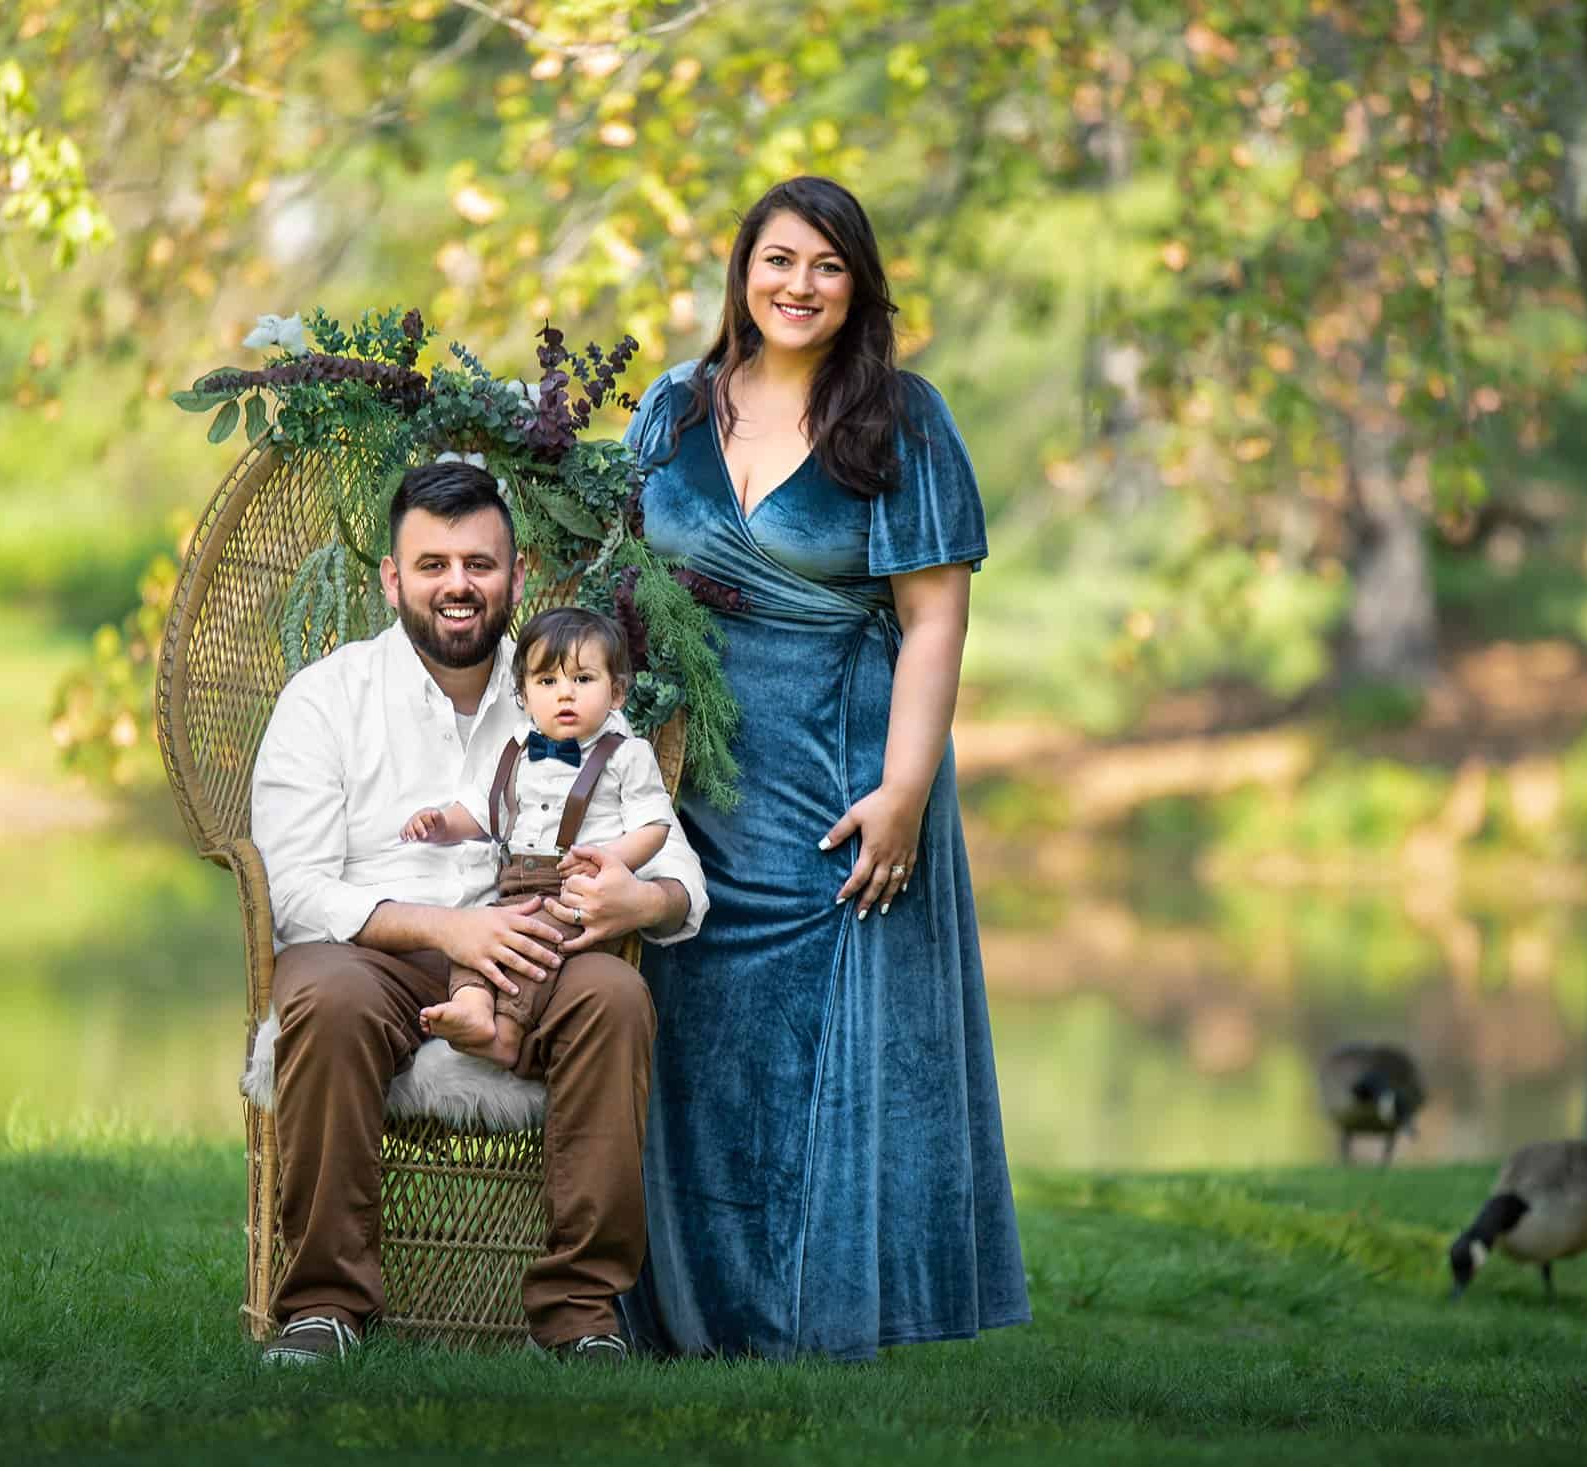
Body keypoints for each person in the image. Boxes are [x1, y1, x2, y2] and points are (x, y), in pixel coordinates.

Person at [608, 175, 1032, 1360]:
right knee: (692, 1034)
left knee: (828, 1047)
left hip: (837, 774)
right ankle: (679, 1320)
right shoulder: (674, 409)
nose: (798, 285)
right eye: (777, 260)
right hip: (689, 778)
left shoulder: (899, 418)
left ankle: (821, 1319)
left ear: (859, 286)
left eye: (826, 266)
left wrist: (900, 793)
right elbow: (613, 577)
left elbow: (934, 622)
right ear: (742, 270)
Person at [247, 460, 708, 1366]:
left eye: (479, 563)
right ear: (392, 578)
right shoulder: (326, 699)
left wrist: (640, 896)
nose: (457, 584)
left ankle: (581, 1314)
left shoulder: (570, 697)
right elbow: (295, 889)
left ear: (517, 576)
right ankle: (323, 1307)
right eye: (432, 564)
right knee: (324, 999)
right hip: (374, 951)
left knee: (613, 998)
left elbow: (675, 867)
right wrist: (448, 929)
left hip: (539, 954)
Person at [400, 606, 676, 1068]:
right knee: (477, 936)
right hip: (514, 888)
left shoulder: (628, 755)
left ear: (617, 693)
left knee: (530, 947)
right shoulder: (517, 749)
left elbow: (655, 826)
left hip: (576, 894)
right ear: (524, 695)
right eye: (547, 682)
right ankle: (472, 1006)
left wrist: (608, 858)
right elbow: (484, 812)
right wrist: (443, 825)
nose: (565, 694)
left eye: (583, 680)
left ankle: (506, 1034)